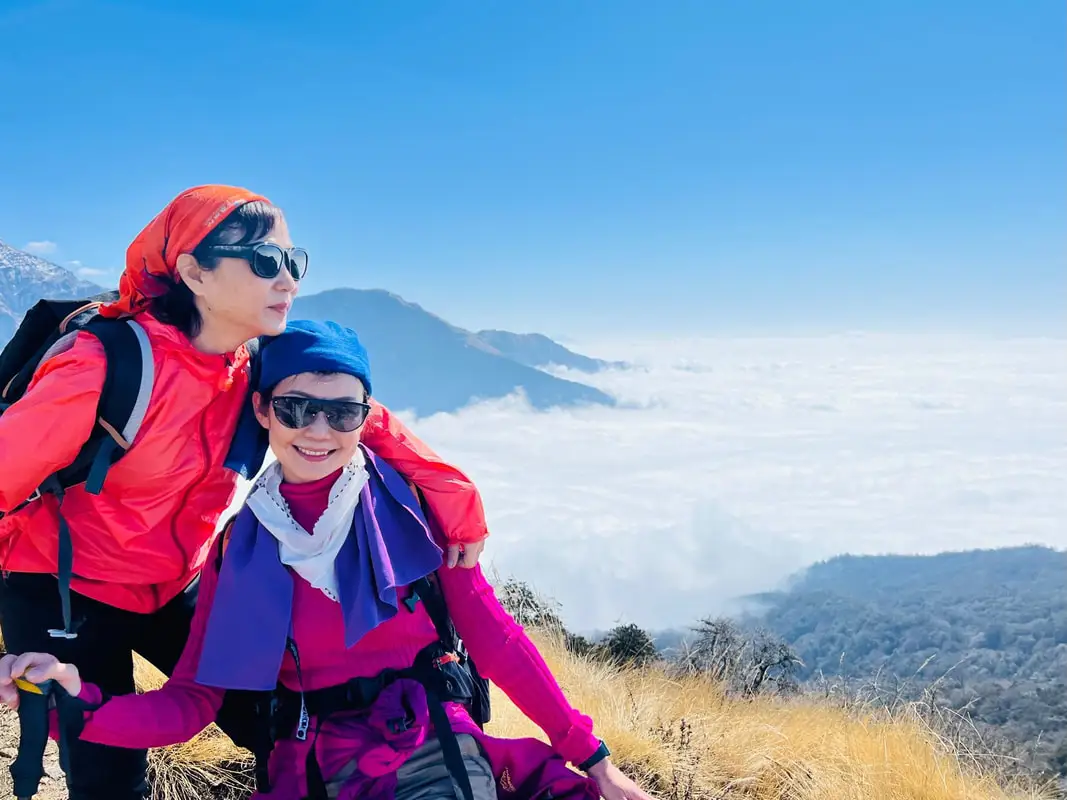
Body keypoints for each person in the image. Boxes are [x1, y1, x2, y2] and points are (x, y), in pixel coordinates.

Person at [0, 320, 654, 800]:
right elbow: (191, 702)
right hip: (314, 771)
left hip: (435, 753)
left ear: (365, 418)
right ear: (263, 411)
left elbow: (495, 638)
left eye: (341, 412)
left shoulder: (414, 514)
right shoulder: (241, 551)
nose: (317, 430)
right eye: (295, 409)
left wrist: (591, 758)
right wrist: (67, 701)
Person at [0, 187, 489, 800]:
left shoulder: (253, 366)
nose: (287, 280)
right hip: (59, 591)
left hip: (174, 581)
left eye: (294, 261)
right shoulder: (105, 368)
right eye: (264, 261)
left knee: (280, 726)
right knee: (105, 774)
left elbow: (364, 417)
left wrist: (459, 505)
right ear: (193, 271)